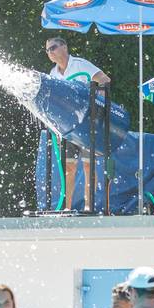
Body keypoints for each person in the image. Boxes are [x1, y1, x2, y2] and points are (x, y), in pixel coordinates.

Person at [44, 36, 111, 208]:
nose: (50, 52)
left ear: (64, 47)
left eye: (53, 47)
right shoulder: (53, 73)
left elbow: (104, 80)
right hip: (67, 127)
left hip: (87, 124)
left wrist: (98, 107)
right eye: (47, 50)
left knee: (89, 166)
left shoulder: (80, 65)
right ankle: (67, 208)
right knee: (69, 168)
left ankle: (89, 207)